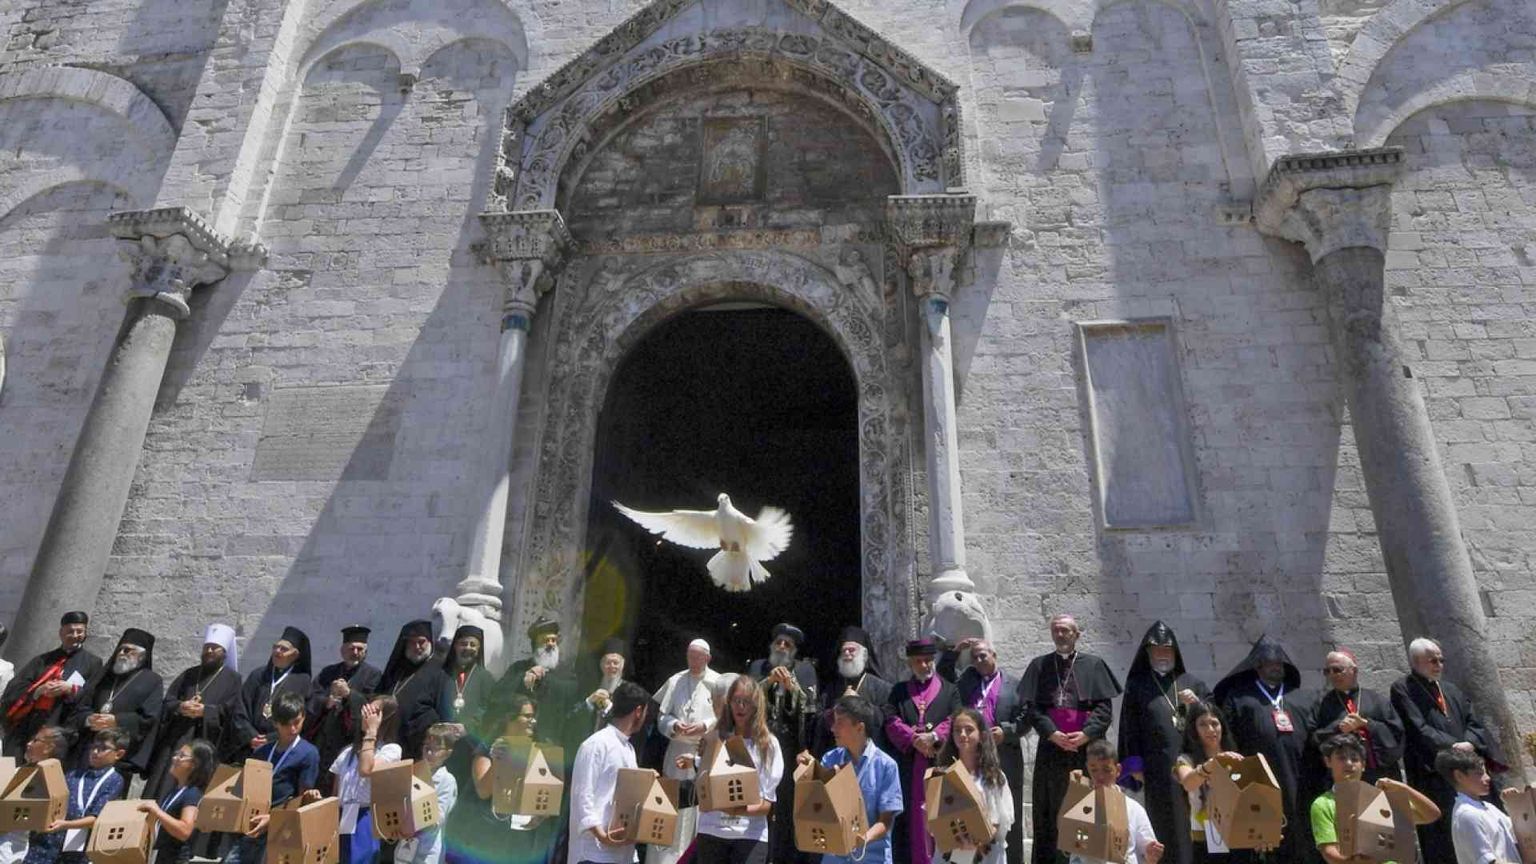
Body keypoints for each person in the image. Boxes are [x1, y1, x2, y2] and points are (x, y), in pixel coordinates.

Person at [1017, 614, 1121, 864]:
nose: (1060, 635)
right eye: (1056, 631)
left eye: (1065, 630)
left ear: (1077, 634)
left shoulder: (1094, 665)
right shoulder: (1039, 666)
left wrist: (1084, 735)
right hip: (1052, 752)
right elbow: (1033, 708)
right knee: (1052, 813)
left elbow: (1103, 709)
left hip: (1087, 754)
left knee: (1089, 809)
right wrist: (1053, 734)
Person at [1390, 637, 1505, 864]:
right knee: (1444, 831)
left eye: (1441, 660)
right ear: (1416, 661)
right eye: (1432, 660)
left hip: (1469, 765)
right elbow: (1418, 728)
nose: (1439, 665)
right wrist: (1453, 746)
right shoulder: (1403, 689)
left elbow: (1474, 722)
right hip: (1436, 771)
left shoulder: (1451, 689)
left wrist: (1469, 743)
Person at [1213, 635, 1309, 864]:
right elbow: (1229, 739)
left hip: (1301, 781)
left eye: (1279, 664)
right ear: (1257, 666)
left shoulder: (1301, 697)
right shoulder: (1238, 698)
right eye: (1269, 663)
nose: (1275, 667)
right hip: (1259, 784)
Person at [1119, 622, 1208, 864]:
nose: (1162, 655)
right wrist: (1135, 766)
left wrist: (1198, 705)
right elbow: (1129, 727)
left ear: (1175, 653)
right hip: (1158, 769)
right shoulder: (1138, 686)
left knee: (1199, 818)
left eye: (1167, 650)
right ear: (1148, 653)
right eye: (1156, 650)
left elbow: (1214, 719)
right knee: (1167, 823)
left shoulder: (1192, 683)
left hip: (1196, 766)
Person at [687, 676, 783, 864]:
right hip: (711, 832)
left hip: (750, 836)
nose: (740, 706)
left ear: (756, 705)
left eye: (746, 702)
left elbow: (767, 804)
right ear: (728, 703)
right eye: (736, 701)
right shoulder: (713, 739)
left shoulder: (768, 745)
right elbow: (703, 789)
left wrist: (736, 810)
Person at [801, 695, 904, 864]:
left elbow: (886, 821)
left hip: (872, 858)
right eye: (833, 722)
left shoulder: (886, 766)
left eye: (840, 722)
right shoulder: (829, 759)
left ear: (859, 727)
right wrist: (809, 774)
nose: (833, 728)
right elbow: (817, 807)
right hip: (834, 858)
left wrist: (865, 838)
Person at [745, 623, 816, 864]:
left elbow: (812, 709)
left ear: (794, 650)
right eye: (779, 642)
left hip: (788, 750)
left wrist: (791, 687)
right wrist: (767, 681)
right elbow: (744, 698)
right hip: (758, 747)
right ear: (772, 645)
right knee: (755, 798)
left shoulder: (805, 671)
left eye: (788, 644)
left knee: (784, 808)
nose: (782, 647)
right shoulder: (757, 667)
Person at [222, 691, 320, 864]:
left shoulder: (308, 753)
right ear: (275, 723)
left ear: (303, 717)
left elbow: (302, 799)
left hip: (281, 827)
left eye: (296, 722)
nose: (292, 729)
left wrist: (272, 818)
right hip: (252, 824)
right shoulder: (263, 751)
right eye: (285, 724)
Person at [145, 624, 241, 799]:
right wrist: (181, 707)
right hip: (178, 738)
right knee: (163, 786)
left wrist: (205, 711)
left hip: (206, 743)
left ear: (224, 653)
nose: (210, 651)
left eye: (215, 648)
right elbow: (168, 702)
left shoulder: (233, 680)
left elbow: (231, 712)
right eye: (207, 647)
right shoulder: (189, 674)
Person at [1309, 734, 1438, 864]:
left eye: (1354, 759)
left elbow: (1431, 814)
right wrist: (1360, 859)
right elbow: (1330, 854)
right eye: (1341, 758)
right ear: (1328, 762)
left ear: (1363, 765)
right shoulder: (1322, 804)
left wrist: (1404, 789)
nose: (1349, 764)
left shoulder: (1379, 799)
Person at [886, 638, 961, 864]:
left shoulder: (950, 690)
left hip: (940, 765)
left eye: (928, 660)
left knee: (943, 818)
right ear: (910, 663)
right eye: (919, 661)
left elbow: (956, 717)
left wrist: (934, 736)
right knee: (910, 821)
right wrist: (913, 739)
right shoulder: (899, 691)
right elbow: (890, 718)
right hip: (909, 769)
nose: (925, 665)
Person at [953, 639, 1024, 864]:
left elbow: (1027, 716)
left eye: (983, 655)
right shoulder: (966, 683)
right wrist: (954, 653)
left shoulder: (1014, 684)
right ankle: (968, 857)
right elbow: (945, 684)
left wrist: (1007, 731)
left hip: (1006, 755)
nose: (979, 660)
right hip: (973, 754)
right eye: (974, 657)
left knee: (1005, 812)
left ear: (994, 655)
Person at [568, 681, 652, 864]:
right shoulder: (596, 744)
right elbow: (582, 794)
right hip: (594, 853)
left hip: (624, 852)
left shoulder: (628, 748)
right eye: (645, 712)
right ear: (638, 711)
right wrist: (601, 835)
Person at [1, 613, 103, 759]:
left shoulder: (93, 663)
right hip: (28, 723)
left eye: (80, 631)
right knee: (10, 769)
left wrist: (71, 689)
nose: (75, 635)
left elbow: (92, 694)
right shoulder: (42, 660)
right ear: (61, 632)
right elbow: (15, 688)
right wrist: (38, 691)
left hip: (58, 727)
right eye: (70, 631)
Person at [655, 639, 720, 864]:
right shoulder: (676, 680)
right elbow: (661, 717)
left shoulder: (717, 682)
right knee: (671, 805)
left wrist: (705, 726)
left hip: (703, 752)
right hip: (676, 752)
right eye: (689, 655)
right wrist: (673, 725)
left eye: (697, 656)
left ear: (707, 658)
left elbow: (725, 716)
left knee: (698, 808)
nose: (692, 660)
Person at [64, 628, 163, 777]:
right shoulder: (104, 676)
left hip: (119, 754)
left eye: (129, 650)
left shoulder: (152, 680)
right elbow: (81, 706)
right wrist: (88, 719)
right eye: (121, 649)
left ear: (142, 656)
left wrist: (117, 721)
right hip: (86, 748)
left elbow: (149, 718)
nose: (123, 653)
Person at [26, 728, 127, 864]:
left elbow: (97, 818)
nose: (95, 752)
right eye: (94, 747)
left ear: (118, 754)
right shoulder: (74, 774)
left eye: (103, 748)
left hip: (76, 847)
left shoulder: (114, 780)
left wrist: (67, 824)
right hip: (48, 842)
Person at [306, 625, 382, 793]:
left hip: (350, 741)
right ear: (342, 649)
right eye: (351, 648)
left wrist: (349, 694)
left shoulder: (373, 675)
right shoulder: (329, 672)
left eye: (359, 649)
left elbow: (372, 704)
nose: (355, 652)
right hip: (325, 741)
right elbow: (312, 697)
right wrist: (328, 701)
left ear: (365, 651)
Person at [934, 707, 1015, 864]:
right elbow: (933, 820)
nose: (962, 735)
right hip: (951, 854)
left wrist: (974, 842)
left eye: (969, 730)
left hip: (985, 853)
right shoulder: (942, 775)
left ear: (982, 735)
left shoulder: (994, 777)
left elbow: (999, 820)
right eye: (957, 730)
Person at [1171, 701, 1245, 863]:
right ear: (1194, 730)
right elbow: (1188, 783)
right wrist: (1211, 765)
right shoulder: (1186, 759)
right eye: (1203, 724)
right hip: (1206, 837)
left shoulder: (1235, 755)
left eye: (1214, 723)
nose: (1210, 729)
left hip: (1239, 835)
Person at [331, 696, 401, 864]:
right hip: (342, 816)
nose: (367, 715)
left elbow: (366, 769)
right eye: (366, 710)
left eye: (374, 712)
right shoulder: (347, 752)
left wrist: (371, 732)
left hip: (365, 817)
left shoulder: (390, 750)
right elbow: (335, 794)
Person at [1073, 739, 1164, 864]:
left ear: (1118, 770)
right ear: (1087, 768)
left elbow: (1147, 850)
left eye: (1106, 770)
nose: (1100, 776)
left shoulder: (1134, 809)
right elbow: (1074, 852)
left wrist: (1151, 854)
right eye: (1094, 770)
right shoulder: (1080, 806)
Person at [232, 627, 313, 760]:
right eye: (276, 647)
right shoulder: (258, 675)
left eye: (284, 649)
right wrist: (250, 735)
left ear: (295, 654)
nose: (277, 651)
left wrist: (271, 738)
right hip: (248, 746)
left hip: (280, 748)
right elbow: (240, 707)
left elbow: (304, 718)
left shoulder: (303, 681)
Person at [139, 737, 218, 864]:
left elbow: (185, 831)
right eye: (177, 754)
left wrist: (157, 811)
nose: (174, 758)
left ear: (194, 765)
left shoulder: (192, 794)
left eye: (181, 756)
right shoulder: (176, 790)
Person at [1437, 748, 1521, 864]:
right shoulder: (1467, 815)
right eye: (1479, 774)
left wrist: (1517, 805)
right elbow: (1487, 861)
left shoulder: (1488, 807)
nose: (1487, 778)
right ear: (1459, 776)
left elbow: (1521, 833)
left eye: (1486, 773)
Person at [816, 627, 892, 755]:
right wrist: (837, 709)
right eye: (843, 650)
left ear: (865, 655)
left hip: (871, 759)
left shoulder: (883, 688)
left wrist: (860, 705)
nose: (847, 654)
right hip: (838, 759)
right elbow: (818, 722)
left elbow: (888, 721)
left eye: (851, 650)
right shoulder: (831, 689)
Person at [379, 620, 448, 759]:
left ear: (430, 642)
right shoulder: (397, 669)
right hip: (389, 742)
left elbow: (444, 709)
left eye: (421, 642)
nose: (417, 647)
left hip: (420, 745)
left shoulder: (441, 669)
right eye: (412, 642)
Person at [397, 723, 460, 864]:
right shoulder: (414, 773)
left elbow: (438, 819)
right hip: (405, 846)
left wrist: (420, 802)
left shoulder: (447, 780)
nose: (430, 754)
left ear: (448, 753)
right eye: (427, 748)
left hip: (427, 852)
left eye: (436, 750)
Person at [442, 625, 494, 735]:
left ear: (479, 649)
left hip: (469, 739)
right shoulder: (441, 674)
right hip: (440, 735)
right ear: (455, 646)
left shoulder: (486, 677)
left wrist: (468, 726)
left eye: (473, 645)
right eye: (463, 644)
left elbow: (487, 707)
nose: (468, 648)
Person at [578, 639, 630, 737]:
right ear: (601, 665)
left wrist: (609, 708)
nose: (612, 666)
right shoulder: (590, 686)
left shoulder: (627, 691)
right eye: (608, 663)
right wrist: (589, 701)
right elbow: (573, 715)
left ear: (622, 666)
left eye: (616, 663)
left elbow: (627, 723)